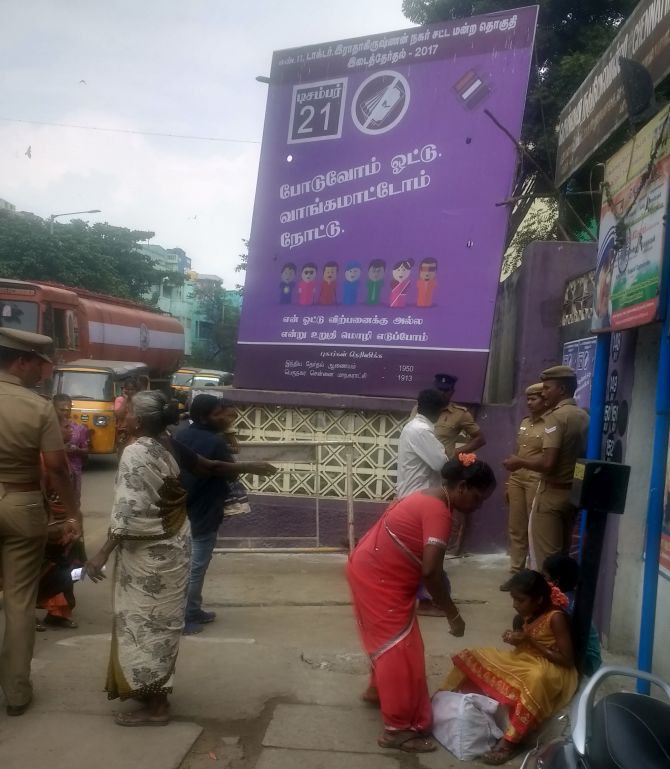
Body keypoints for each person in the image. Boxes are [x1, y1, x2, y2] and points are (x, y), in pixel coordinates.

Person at [347, 456, 496, 753]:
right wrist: (453, 614)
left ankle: (380, 692)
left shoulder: (427, 496)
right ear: (462, 487)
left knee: (392, 642)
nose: (478, 507)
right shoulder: (439, 512)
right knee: (399, 648)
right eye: (478, 498)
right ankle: (398, 729)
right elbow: (431, 572)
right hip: (380, 578)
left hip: (370, 569)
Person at [85, 391, 191, 726]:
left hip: (148, 556)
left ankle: (157, 707)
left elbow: (129, 514)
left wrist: (100, 554)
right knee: (160, 623)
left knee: (145, 625)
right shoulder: (165, 443)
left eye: (128, 412)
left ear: (141, 420)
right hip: (174, 547)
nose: (123, 416)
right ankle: (151, 693)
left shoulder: (136, 452)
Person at [0, 328, 79, 716]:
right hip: (23, 505)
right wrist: (74, 513)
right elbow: (58, 469)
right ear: (21, 361)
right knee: (18, 602)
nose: (42, 374)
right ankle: (16, 693)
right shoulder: (37, 407)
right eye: (39, 366)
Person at [442, 570, 578, 764]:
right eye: (514, 599)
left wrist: (530, 640)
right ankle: (443, 698)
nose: (515, 605)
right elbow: (527, 642)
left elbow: (567, 659)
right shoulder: (529, 614)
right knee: (472, 655)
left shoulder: (556, 617)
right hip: (525, 659)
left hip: (553, 669)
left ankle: (511, 742)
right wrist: (517, 639)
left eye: (520, 600)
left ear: (538, 599)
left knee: (535, 678)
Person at [175, 394, 276, 634]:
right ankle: (185, 616)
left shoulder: (181, 436)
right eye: (219, 413)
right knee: (197, 565)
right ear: (204, 417)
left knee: (187, 563)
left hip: (182, 506)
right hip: (206, 508)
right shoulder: (215, 443)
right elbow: (230, 473)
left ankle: (194, 609)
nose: (225, 417)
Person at [503, 366, 589, 569]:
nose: (543, 392)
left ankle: (545, 598)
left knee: (545, 559)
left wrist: (519, 462)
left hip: (550, 490)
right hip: (572, 492)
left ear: (561, 389)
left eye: (547, 388)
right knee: (561, 553)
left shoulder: (555, 417)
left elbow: (548, 463)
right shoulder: (583, 415)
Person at [411, 374, 487, 555]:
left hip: (443, 471)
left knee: (439, 511)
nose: (442, 393)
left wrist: (457, 454)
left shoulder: (460, 414)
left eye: (446, 390)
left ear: (452, 392)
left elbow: (480, 438)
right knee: (415, 509)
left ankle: (435, 552)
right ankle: (416, 549)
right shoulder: (420, 409)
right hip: (420, 470)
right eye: (439, 389)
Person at [501, 383, 546, 590]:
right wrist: (509, 482)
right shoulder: (525, 422)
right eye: (528, 399)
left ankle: (534, 576)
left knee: (533, 528)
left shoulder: (551, 424)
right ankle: (516, 573)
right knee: (516, 527)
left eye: (534, 399)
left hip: (536, 478)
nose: (529, 403)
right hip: (518, 478)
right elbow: (517, 451)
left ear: (544, 399)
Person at [542, 554, 601, 676]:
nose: (541, 580)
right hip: (585, 655)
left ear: (555, 582)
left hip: (586, 663)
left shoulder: (564, 604)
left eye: (544, 577)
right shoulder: (569, 596)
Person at [396, 389, 448, 500]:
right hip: (417, 497)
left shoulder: (413, 426)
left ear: (418, 406)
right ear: (439, 411)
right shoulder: (421, 430)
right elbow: (441, 464)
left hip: (412, 495)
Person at [52, 394, 89, 509]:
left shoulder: (79, 428)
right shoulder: (47, 428)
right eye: (62, 409)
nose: (66, 413)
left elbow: (86, 450)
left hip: (74, 471)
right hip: (53, 470)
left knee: (73, 501)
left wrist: (77, 449)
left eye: (69, 409)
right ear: (53, 408)